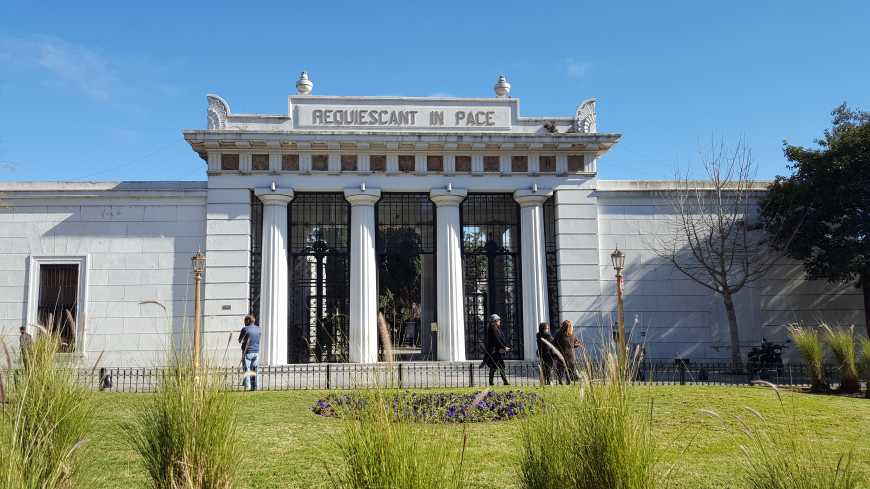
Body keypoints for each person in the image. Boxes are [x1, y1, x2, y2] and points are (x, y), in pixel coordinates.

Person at [483, 314, 510, 386]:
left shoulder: (497, 328)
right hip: (495, 351)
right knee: (497, 366)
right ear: (495, 321)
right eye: (498, 320)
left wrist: (504, 347)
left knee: (497, 366)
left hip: (497, 351)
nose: (500, 321)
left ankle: (498, 382)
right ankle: (502, 382)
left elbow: (500, 339)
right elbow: (497, 340)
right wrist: (503, 347)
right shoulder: (493, 329)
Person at [554, 319, 581, 384]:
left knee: (560, 370)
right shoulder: (572, 335)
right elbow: (575, 344)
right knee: (569, 371)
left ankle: (560, 382)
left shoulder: (558, 334)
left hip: (561, 355)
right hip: (570, 356)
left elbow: (554, 343)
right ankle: (568, 382)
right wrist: (578, 344)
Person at [238, 314, 261, 391]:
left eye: (245, 321)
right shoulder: (258, 329)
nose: (244, 322)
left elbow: (240, 340)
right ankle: (256, 386)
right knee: (255, 369)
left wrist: (244, 340)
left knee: (247, 369)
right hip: (256, 351)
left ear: (248, 321)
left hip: (247, 352)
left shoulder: (245, 329)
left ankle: (248, 386)